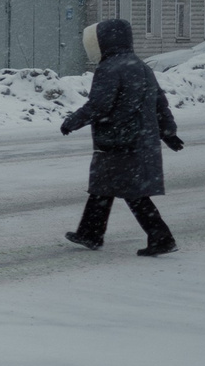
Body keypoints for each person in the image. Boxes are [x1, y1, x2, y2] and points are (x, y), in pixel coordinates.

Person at [60, 16, 183, 255]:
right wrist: (169, 133)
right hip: (135, 140)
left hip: (120, 141)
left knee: (132, 193)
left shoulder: (110, 68)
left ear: (104, 42)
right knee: (103, 188)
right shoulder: (140, 65)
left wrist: (72, 122)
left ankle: (162, 238)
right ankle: (90, 233)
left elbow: (99, 105)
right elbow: (160, 103)